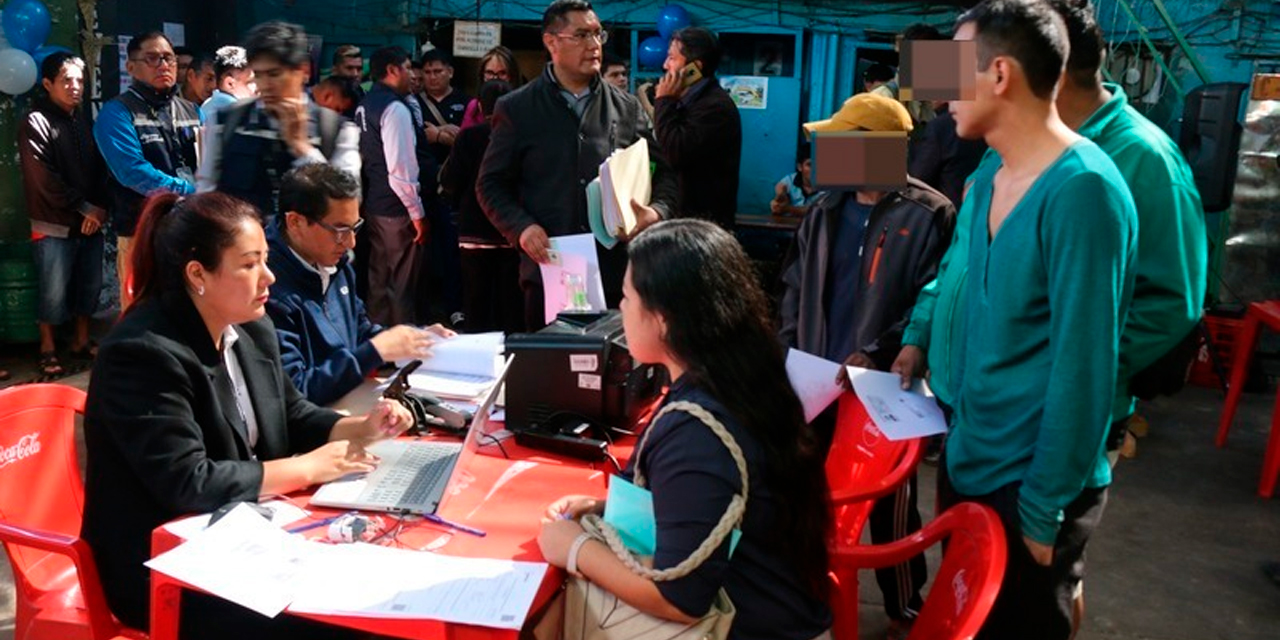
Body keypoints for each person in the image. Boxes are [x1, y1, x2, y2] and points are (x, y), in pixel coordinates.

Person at [80, 191, 411, 639]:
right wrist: (305, 467)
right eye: (249, 264)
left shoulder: (252, 327)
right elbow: (188, 482)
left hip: (246, 538)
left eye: (266, 260)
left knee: (383, 590)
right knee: (345, 622)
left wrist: (361, 428)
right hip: (162, 565)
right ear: (197, 274)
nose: (269, 277)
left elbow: (291, 413)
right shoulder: (141, 354)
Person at [926, 2, 1138, 639]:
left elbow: (1084, 370)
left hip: (1029, 487)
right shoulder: (990, 178)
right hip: (970, 457)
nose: (939, 90)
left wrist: (1043, 510)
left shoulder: (1084, 191)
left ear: (998, 75)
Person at [538, 219, 833, 640]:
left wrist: (574, 548)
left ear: (663, 318)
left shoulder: (699, 431)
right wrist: (602, 506)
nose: (620, 309)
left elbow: (679, 598)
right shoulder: (742, 379)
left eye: (626, 296)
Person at [781, 92, 954, 639]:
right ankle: (813, 594)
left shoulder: (930, 213)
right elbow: (793, 286)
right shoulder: (824, 210)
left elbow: (935, 296)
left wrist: (879, 350)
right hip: (816, 379)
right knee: (809, 492)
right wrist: (791, 348)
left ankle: (906, 605)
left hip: (886, 385)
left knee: (891, 504)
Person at [478, 0, 677, 329]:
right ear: (551, 42)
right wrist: (521, 227)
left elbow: (665, 176)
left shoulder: (626, 108)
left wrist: (655, 213)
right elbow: (490, 184)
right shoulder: (517, 108)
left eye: (598, 34)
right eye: (582, 35)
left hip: (616, 273)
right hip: (551, 268)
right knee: (554, 372)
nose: (594, 45)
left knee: (614, 374)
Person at [266, 164, 451, 405]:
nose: (351, 243)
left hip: (351, 401)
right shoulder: (265, 287)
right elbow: (296, 391)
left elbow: (360, 333)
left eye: (355, 227)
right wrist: (374, 351)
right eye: (340, 230)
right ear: (295, 222)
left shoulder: (334, 261)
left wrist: (412, 340)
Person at [197, 21, 360, 223]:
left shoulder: (336, 130)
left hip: (306, 253)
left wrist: (302, 148)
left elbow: (348, 200)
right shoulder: (226, 122)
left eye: (274, 74)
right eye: (258, 74)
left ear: (303, 71)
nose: (266, 85)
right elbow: (206, 192)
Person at [95, 31, 202, 309]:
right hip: (140, 232)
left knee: (190, 307)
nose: (163, 65)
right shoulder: (116, 113)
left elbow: (209, 162)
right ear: (131, 67)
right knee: (140, 311)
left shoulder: (193, 110)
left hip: (188, 229)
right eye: (152, 59)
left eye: (168, 58)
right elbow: (131, 171)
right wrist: (189, 191)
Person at [18, 52, 109, 377]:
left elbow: (100, 170)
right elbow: (43, 179)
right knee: (52, 290)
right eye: (67, 80)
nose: (75, 87)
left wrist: (99, 208)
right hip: (54, 223)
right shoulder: (35, 122)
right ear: (47, 84)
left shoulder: (83, 122)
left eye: (80, 81)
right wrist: (84, 207)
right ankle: (47, 348)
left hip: (90, 222)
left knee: (89, 286)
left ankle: (81, 342)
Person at [441, 80, 523, 333]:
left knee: (476, 302)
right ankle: (512, 358)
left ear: (480, 105)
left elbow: (450, 180)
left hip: (474, 231)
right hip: (512, 230)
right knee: (511, 303)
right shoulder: (521, 137)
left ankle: (477, 360)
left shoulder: (468, 136)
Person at [356, 45, 429, 327]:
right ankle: (402, 351)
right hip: (397, 209)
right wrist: (417, 213)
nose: (412, 75)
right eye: (408, 67)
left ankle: (377, 348)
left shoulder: (365, 104)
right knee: (401, 284)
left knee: (379, 280)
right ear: (392, 70)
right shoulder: (395, 108)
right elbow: (401, 168)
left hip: (374, 204)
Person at [653, 27, 742, 230]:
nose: (665, 65)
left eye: (671, 58)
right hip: (682, 219)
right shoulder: (687, 102)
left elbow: (674, 151)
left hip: (701, 226)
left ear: (694, 69)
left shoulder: (714, 107)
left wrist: (664, 101)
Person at [460, 45, 521, 129]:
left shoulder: (524, 105)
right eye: (489, 73)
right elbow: (465, 137)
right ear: (482, 75)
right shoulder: (474, 106)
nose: (495, 78)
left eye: (502, 73)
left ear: (512, 76)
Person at [200, 45, 256, 121]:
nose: (257, 87)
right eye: (250, 82)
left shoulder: (207, 105)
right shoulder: (238, 113)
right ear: (230, 83)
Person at [771, 141, 823, 217]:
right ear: (799, 167)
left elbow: (818, 212)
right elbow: (780, 187)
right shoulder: (791, 180)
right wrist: (779, 200)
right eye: (810, 165)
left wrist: (788, 209)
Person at [330, 44, 365, 116]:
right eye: (349, 68)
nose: (355, 74)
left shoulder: (367, 100)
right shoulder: (321, 99)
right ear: (335, 70)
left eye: (359, 69)